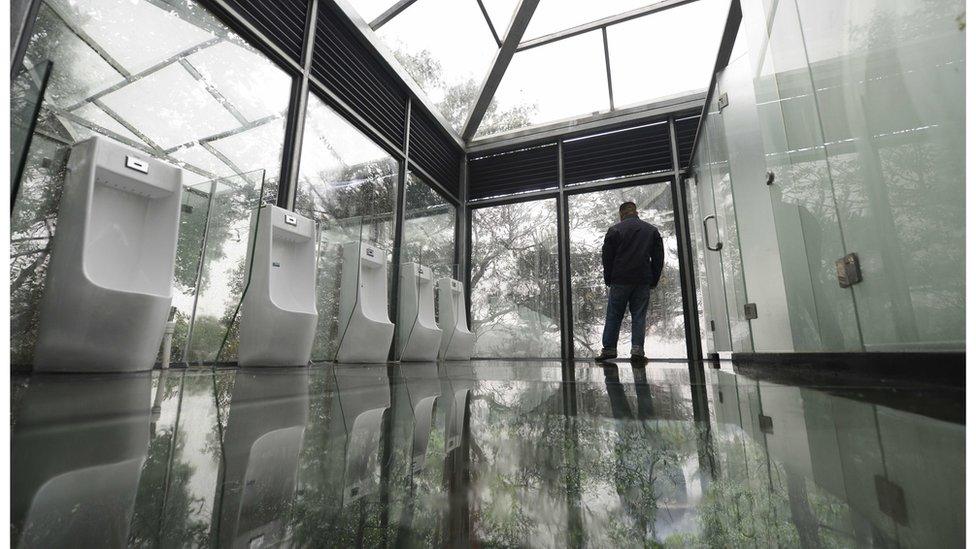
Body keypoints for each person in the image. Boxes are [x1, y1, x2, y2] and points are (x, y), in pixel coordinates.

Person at [596, 201, 664, 363]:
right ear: (636, 212)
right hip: (642, 279)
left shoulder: (614, 230)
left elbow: (607, 257)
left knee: (614, 314)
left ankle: (609, 349)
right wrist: (653, 279)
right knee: (639, 315)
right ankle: (637, 351)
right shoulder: (651, 230)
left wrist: (609, 278)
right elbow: (658, 258)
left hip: (620, 279)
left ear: (621, 214)